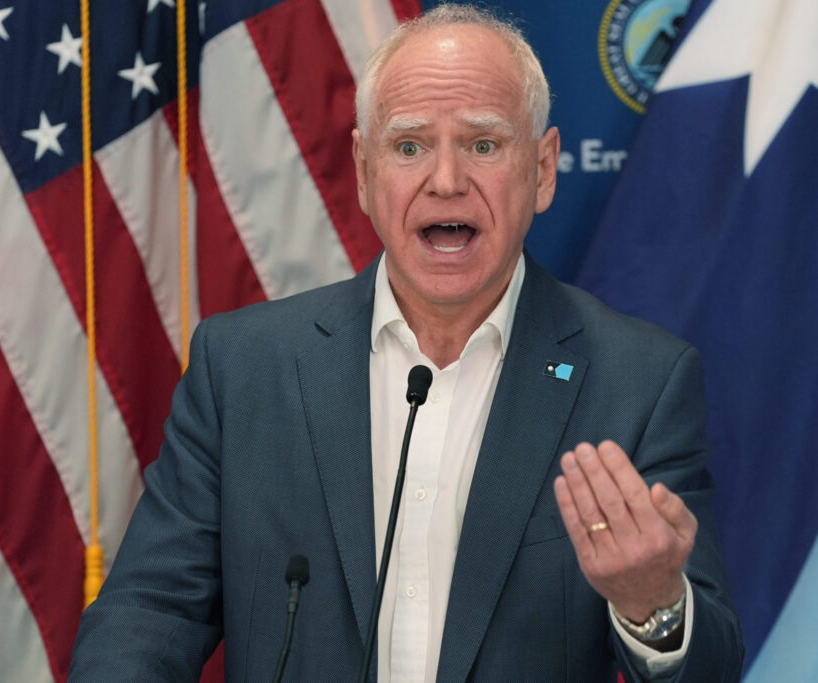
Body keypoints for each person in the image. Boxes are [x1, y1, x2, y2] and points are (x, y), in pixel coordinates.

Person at [69, 5, 743, 681]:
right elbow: (147, 614)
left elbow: (710, 667)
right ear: (365, 172)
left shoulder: (638, 383)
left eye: (484, 145)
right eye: (410, 146)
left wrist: (653, 605)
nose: (446, 180)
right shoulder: (243, 369)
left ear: (542, 170)